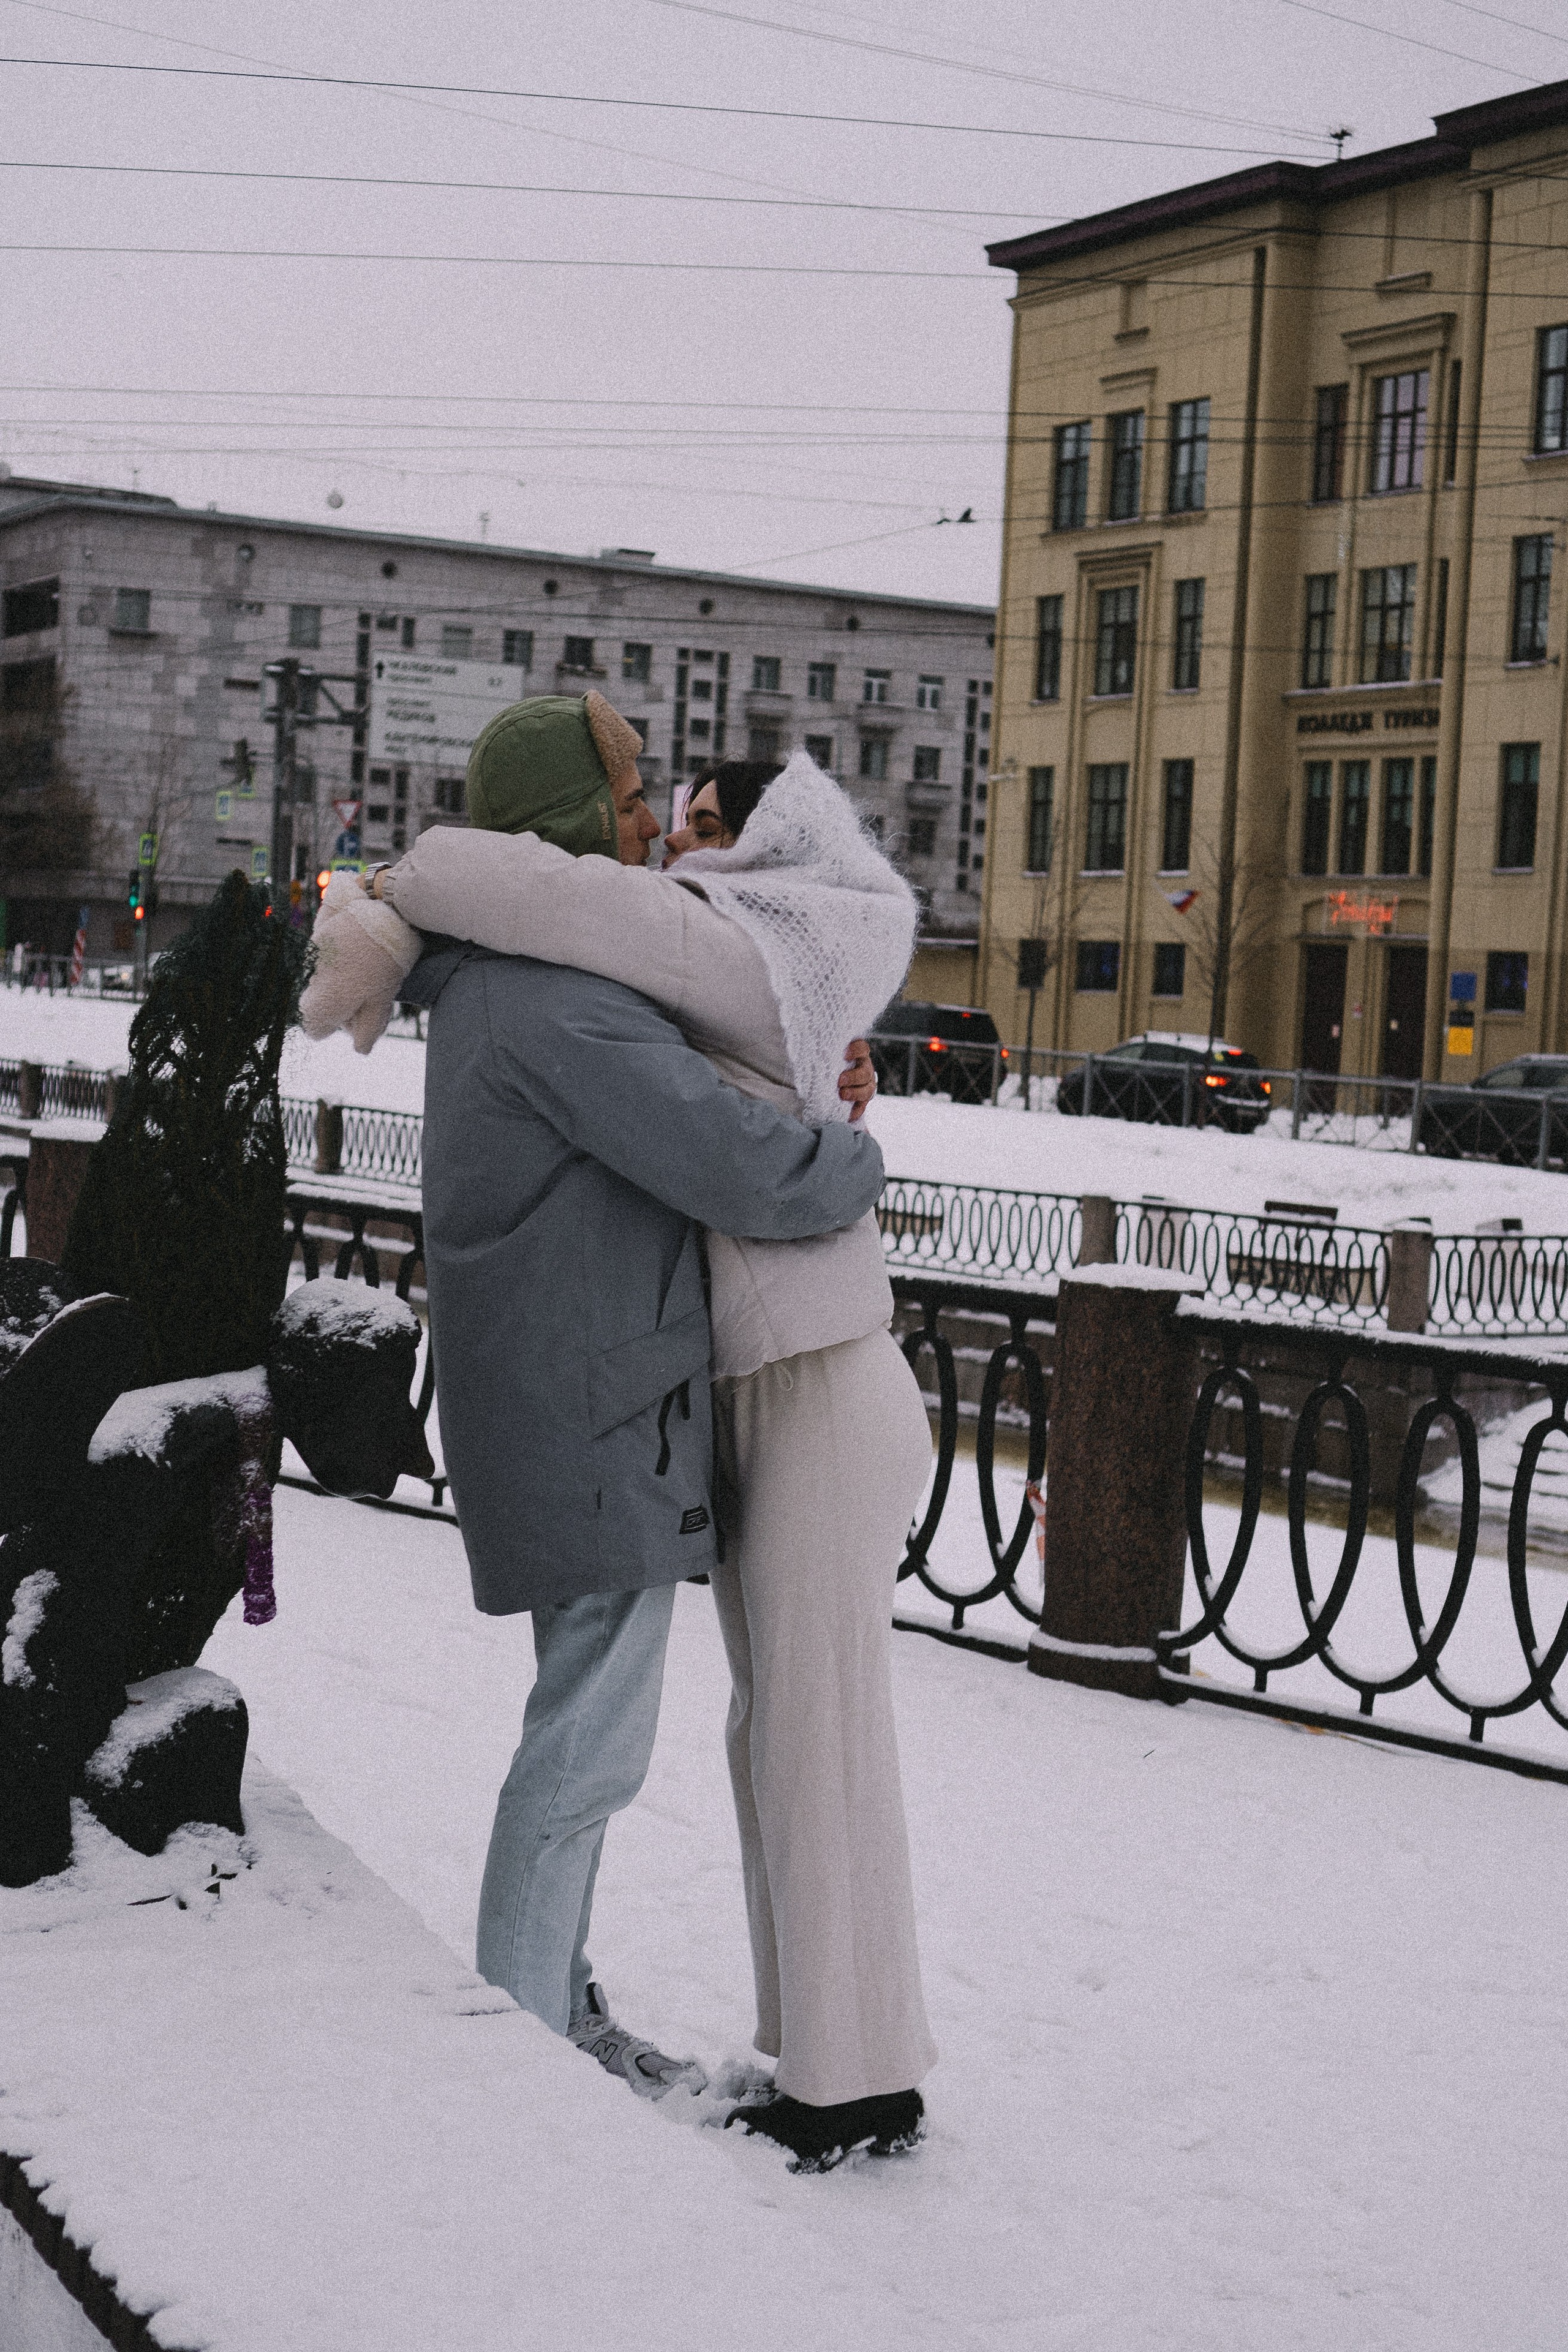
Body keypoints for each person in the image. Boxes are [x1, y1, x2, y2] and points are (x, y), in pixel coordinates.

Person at [307, 715, 939, 2173]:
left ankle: (611, 2023)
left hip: (642, 1398)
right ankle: (533, 2035)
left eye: (682, 807)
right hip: (598, 1410)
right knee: (597, 1748)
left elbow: (713, 1100)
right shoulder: (558, 1002)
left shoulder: (556, 982)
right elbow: (729, 1162)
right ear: (572, 813)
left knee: (657, 1731)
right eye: (641, 797)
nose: (658, 825)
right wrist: (852, 1155)